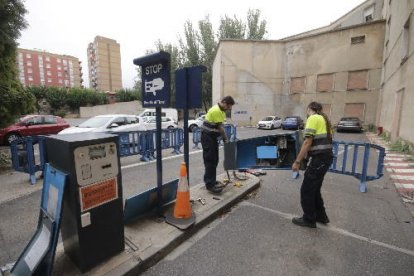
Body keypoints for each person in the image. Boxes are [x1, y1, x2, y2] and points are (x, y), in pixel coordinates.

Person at [291, 102, 333, 228]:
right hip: (325, 158)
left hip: (319, 159)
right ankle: (321, 216)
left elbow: (307, 142)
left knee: (307, 190)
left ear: (309, 109)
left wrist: (297, 161)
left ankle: (309, 219)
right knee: (314, 190)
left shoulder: (313, 118)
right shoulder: (324, 119)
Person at [201, 96, 235, 194]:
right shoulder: (216, 110)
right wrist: (225, 139)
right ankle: (210, 185)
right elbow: (220, 128)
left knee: (215, 159)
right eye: (228, 106)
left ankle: (211, 179)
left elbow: (219, 127)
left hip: (212, 137)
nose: (229, 109)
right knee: (210, 160)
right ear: (224, 102)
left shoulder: (221, 111)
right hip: (207, 137)